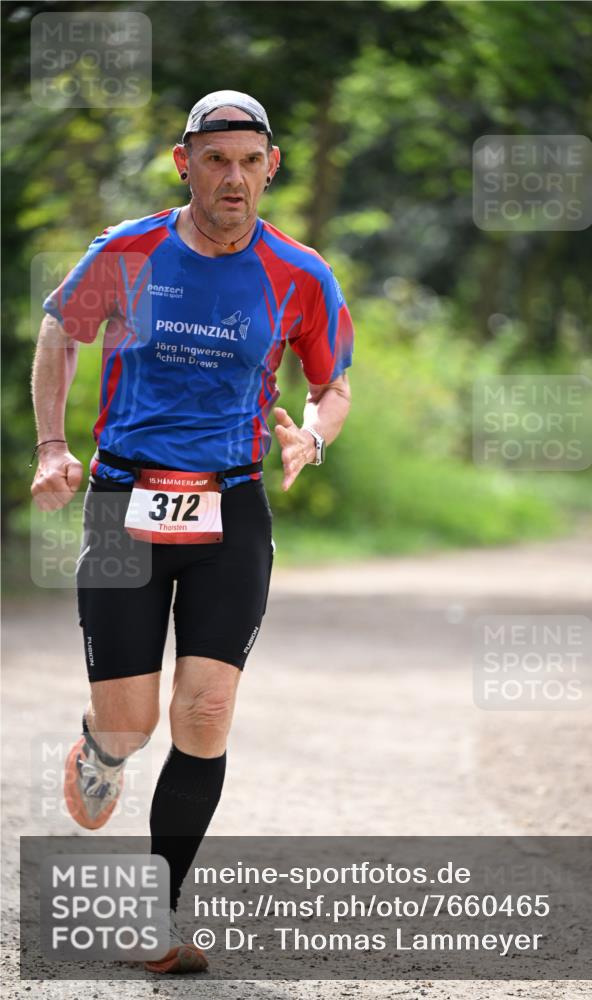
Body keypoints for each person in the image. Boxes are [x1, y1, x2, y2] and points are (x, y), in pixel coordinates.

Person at [30, 90, 353, 974]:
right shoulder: (129, 251)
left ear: (272, 167)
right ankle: (102, 745)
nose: (234, 178)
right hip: (127, 500)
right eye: (216, 160)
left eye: (250, 161)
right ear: (185, 163)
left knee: (205, 711)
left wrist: (313, 434)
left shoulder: (299, 274)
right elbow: (60, 331)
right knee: (133, 726)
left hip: (233, 504)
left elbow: (332, 383)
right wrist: (54, 446)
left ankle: (159, 915)